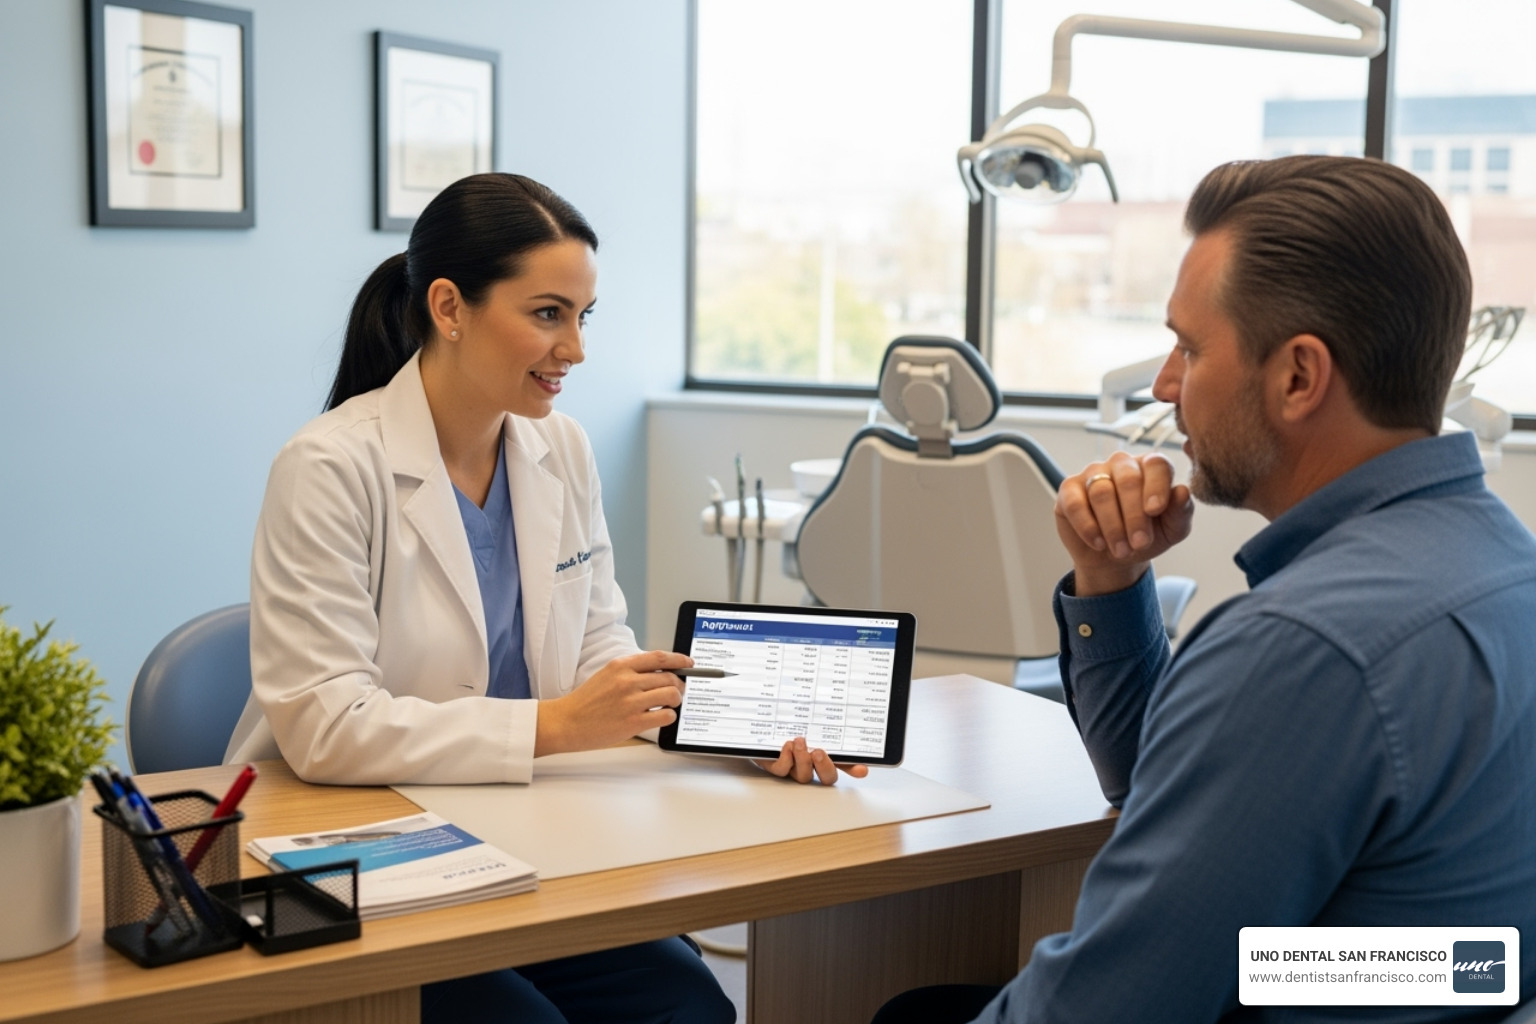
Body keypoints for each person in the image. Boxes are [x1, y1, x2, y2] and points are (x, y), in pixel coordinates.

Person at [874, 155, 1536, 1023]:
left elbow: (1104, 1008)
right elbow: (1170, 794)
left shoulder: (1300, 648)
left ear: (1298, 377)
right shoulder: (1508, 567)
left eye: (1189, 348)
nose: (1163, 385)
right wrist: (1109, 579)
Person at [222, 172, 753, 1023]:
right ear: (449, 307)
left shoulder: (560, 447)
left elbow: (597, 646)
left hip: (516, 830)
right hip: (351, 848)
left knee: (687, 1003)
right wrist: (557, 725)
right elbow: (326, 726)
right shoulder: (329, 466)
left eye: (583, 317)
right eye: (547, 314)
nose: (574, 348)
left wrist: (731, 732)